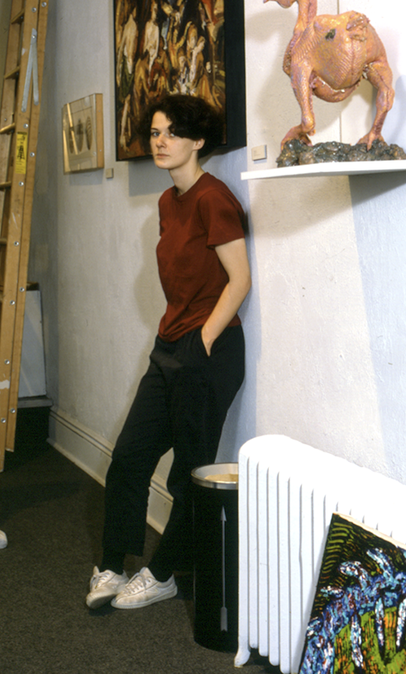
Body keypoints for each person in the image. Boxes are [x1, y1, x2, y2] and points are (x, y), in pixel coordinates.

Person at [86, 94, 250, 611]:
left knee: (188, 470)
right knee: (130, 457)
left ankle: (163, 574)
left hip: (208, 349)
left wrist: (204, 340)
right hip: (169, 345)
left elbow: (240, 280)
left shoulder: (213, 198)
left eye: (173, 132)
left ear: (198, 141)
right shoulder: (167, 201)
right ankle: (112, 565)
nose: (160, 141)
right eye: (156, 132)